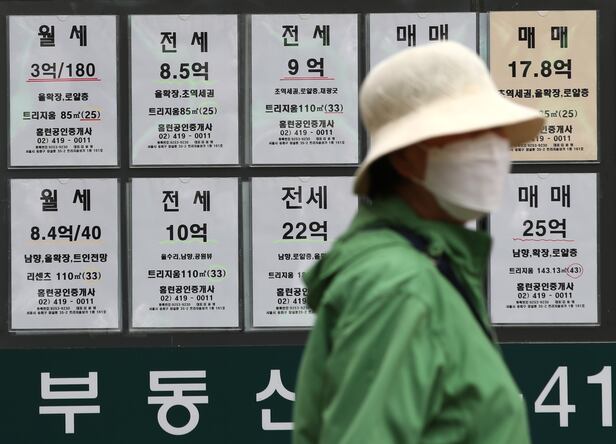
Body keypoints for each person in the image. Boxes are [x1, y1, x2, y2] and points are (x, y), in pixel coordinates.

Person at [292, 41, 544, 444]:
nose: (495, 148)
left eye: (498, 131)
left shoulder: (423, 270)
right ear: (407, 158)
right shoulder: (400, 286)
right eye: (472, 131)